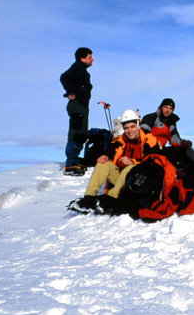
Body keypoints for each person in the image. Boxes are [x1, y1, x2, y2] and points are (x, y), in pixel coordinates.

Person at [70, 109, 160, 212]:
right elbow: (110, 152)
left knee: (130, 168)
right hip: (120, 180)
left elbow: (152, 162)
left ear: (138, 125)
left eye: (132, 127)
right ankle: (89, 198)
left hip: (138, 181)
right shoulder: (119, 141)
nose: (130, 131)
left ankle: (110, 199)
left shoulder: (149, 140)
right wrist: (105, 156)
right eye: (126, 128)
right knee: (102, 164)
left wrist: (133, 162)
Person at [140, 98, 194, 176]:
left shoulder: (170, 123)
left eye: (170, 108)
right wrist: (154, 141)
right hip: (148, 150)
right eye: (166, 107)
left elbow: (173, 138)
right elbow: (143, 131)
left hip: (161, 150)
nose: (167, 110)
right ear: (161, 107)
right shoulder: (151, 117)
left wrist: (183, 142)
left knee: (185, 151)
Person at [60, 47, 93, 176]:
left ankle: (74, 161)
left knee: (81, 133)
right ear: (82, 58)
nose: (92, 59)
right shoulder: (78, 68)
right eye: (90, 57)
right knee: (76, 133)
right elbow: (64, 77)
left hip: (81, 107)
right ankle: (71, 163)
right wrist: (70, 92)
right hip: (77, 106)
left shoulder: (81, 70)